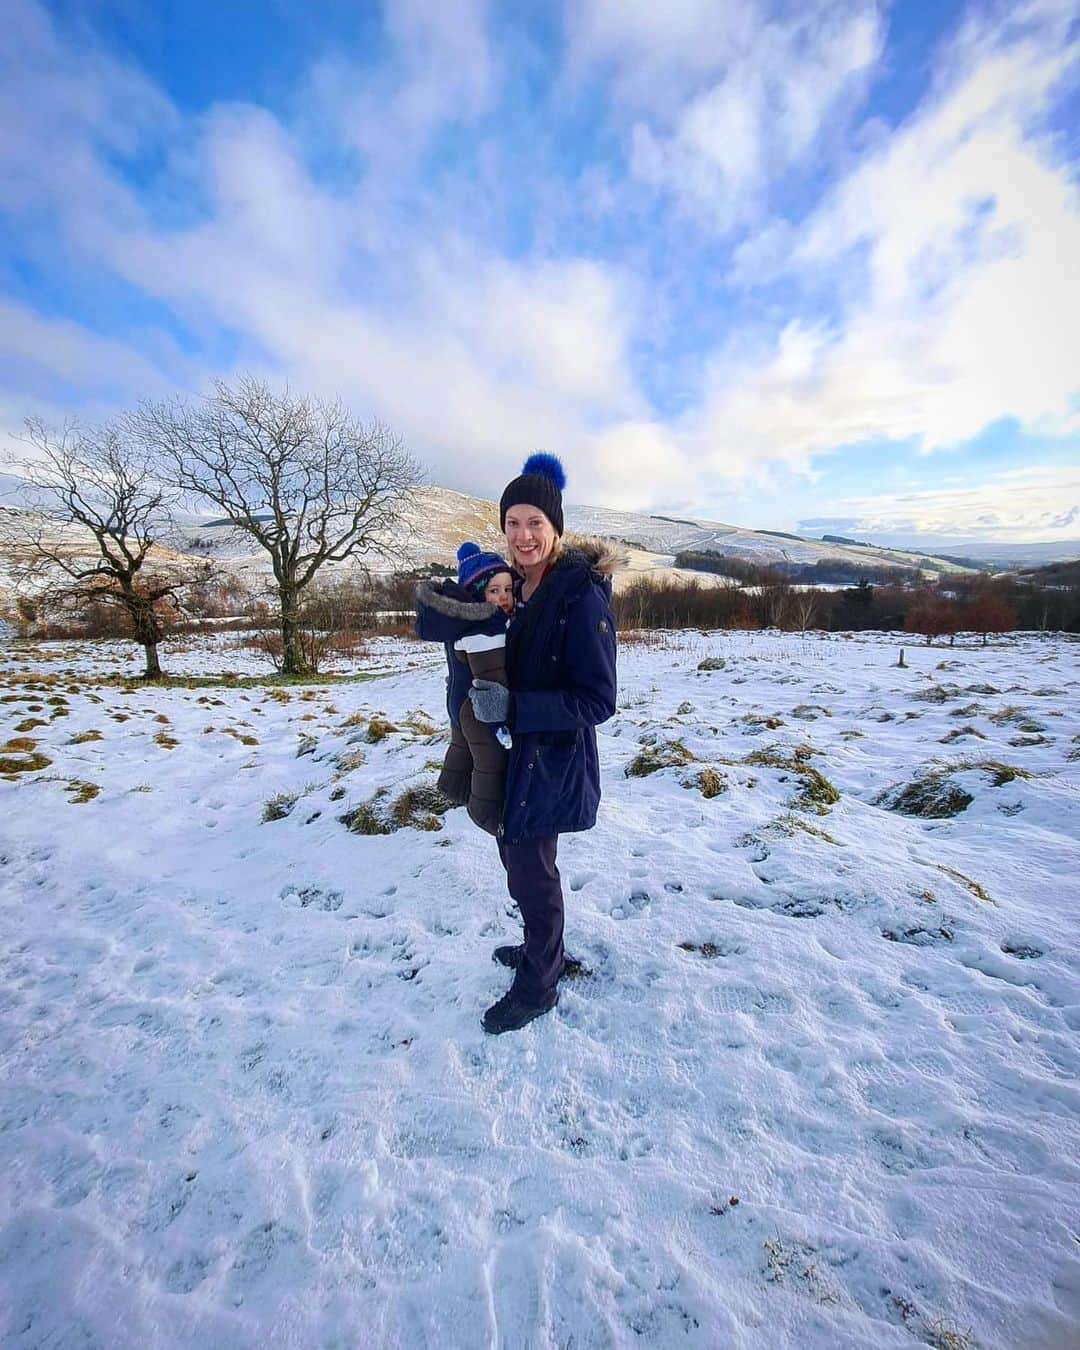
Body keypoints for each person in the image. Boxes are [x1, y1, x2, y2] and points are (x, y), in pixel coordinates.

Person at [466, 453, 623, 1035]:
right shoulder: (514, 587)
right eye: (513, 523)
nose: (523, 535)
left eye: (535, 522)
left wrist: (517, 709)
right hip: (514, 756)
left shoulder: (579, 596)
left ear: (555, 527)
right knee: (517, 860)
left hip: (552, 760)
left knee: (532, 872)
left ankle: (539, 984)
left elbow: (596, 700)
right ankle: (545, 948)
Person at [414, 544, 515, 836]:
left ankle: (453, 785)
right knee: (490, 760)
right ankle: (487, 813)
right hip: (480, 709)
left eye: (507, 589)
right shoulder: (487, 629)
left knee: (462, 747)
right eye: (494, 591)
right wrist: (501, 724)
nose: (504, 597)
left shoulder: (461, 622)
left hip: (459, 703)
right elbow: (491, 678)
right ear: (476, 593)